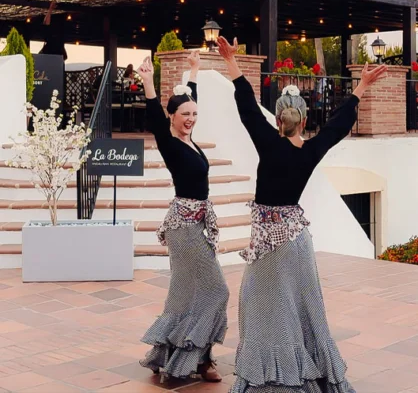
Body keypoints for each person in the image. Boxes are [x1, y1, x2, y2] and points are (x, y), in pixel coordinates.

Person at [217, 36, 386, 393]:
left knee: (261, 307)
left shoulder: (268, 142)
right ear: (304, 118)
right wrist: (361, 87)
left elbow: (247, 106)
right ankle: (307, 372)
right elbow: (338, 125)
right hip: (296, 243)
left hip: (268, 245)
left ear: (278, 119)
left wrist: (231, 61)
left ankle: (275, 377)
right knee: (303, 310)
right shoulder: (311, 150)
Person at [137, 51, 229, 384]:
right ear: (172, 117)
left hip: (196, 225)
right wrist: (148, 82)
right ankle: (198, 359)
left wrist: (194, 71)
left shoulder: (189, 140)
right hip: (184, 227)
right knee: (217, 290)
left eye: (194, 114)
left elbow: (190, 98)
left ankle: (181, 356)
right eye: (184, 114)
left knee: (186, 293)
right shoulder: (170, 143)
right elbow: (154, 115)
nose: (190, 119)